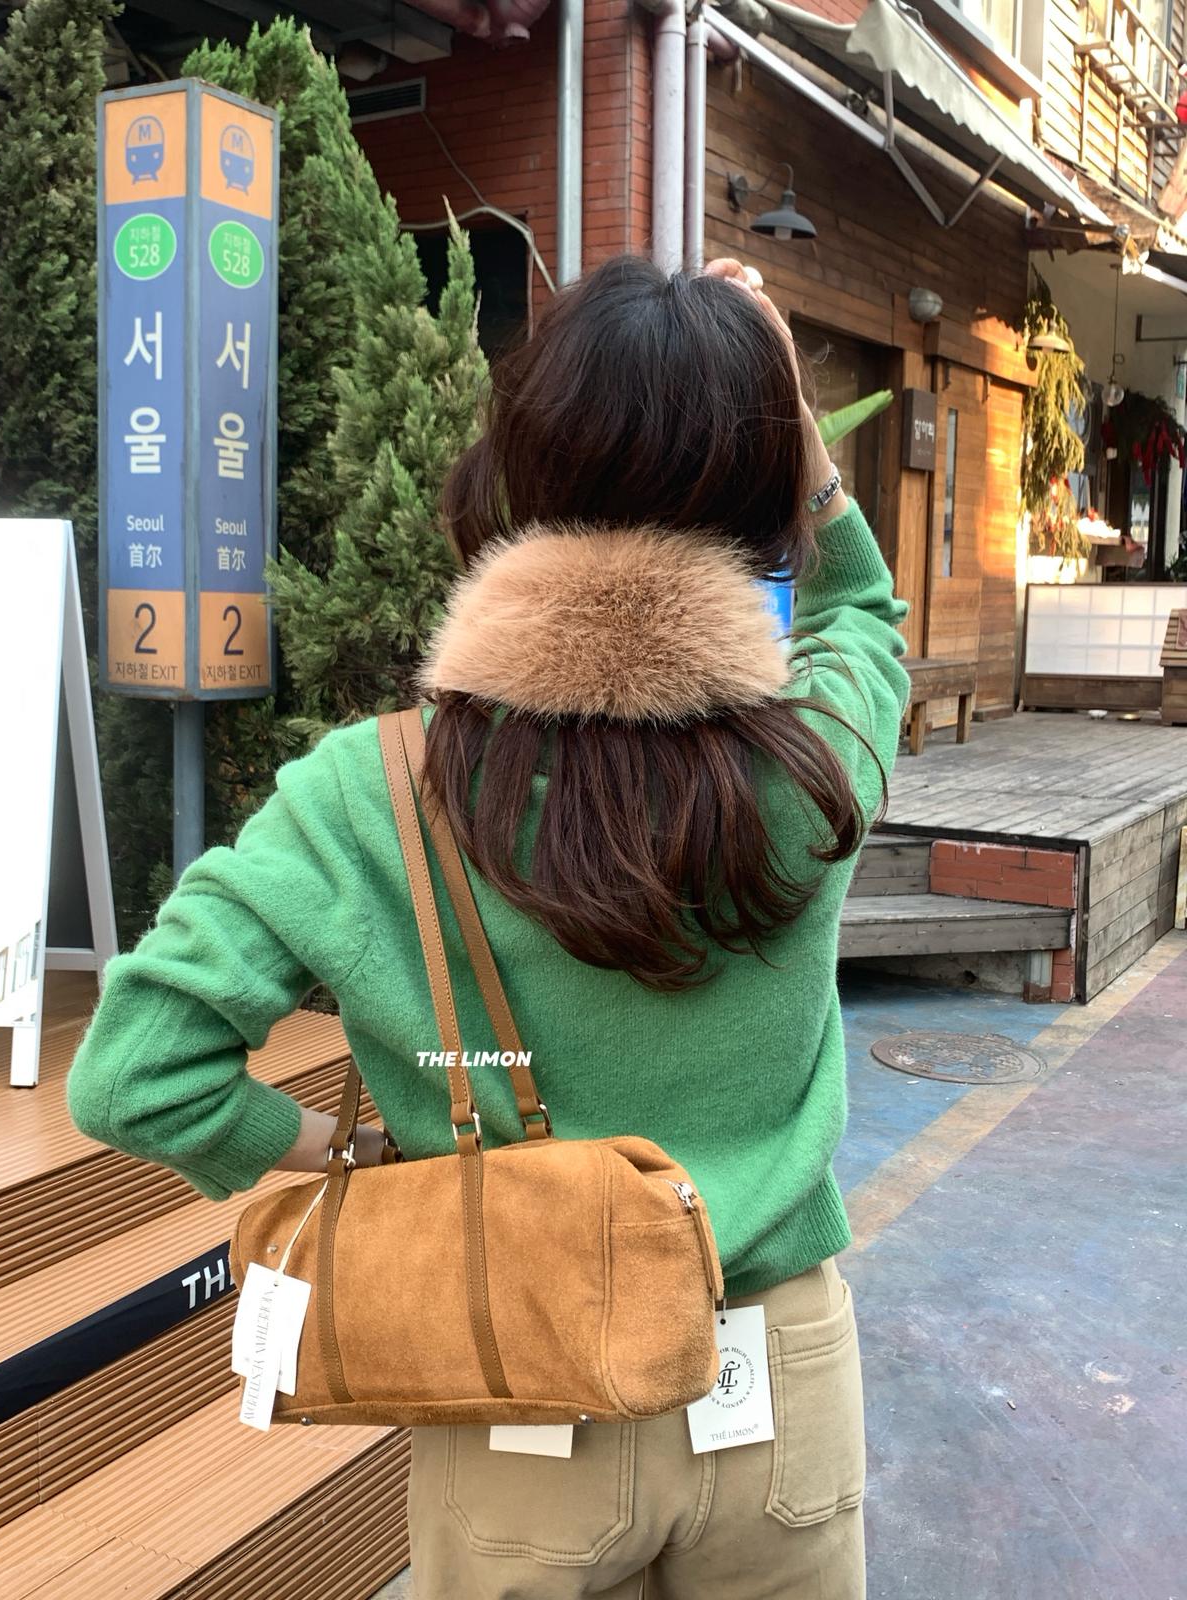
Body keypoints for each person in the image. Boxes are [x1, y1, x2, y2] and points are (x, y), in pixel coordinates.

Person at [67, 254, 909, 1599]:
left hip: (520, 1383)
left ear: (515, 472)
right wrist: (792, 433)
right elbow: (863, 609)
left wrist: (354, 1152)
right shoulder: (818, 759)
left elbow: (134, 1075)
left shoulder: (371, 794)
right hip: (776, 1378)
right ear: (766, 497)